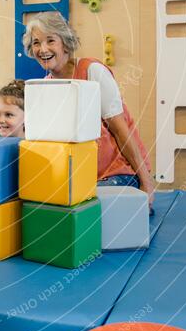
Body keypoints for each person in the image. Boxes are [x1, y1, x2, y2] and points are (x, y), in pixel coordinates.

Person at [23, 12, 155, 209]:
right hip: (81, 178)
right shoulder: (45, 86)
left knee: (86, 210)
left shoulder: (92, 71)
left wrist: (147, 183)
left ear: (65, 43)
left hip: (116, 173)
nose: (43, 49)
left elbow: (121, 131)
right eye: (36, 43)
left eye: (50, 40)